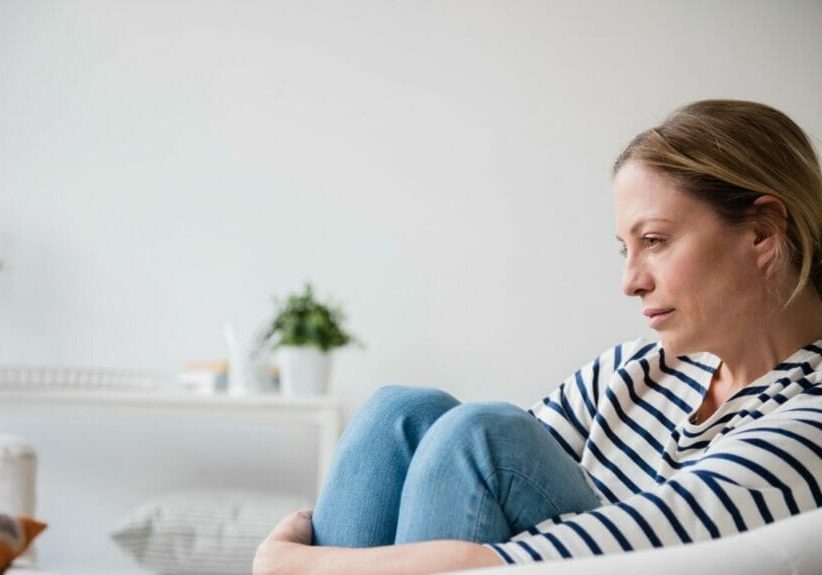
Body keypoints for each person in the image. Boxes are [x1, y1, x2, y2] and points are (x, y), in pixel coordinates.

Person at [253, 100, 822, 574]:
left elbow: (524, 559)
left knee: (483, 435)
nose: (630, 282)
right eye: (625, 250)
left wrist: (301, 564)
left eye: (655, 240)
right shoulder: (635, 370)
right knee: (401, 411)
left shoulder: (810, 418)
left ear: (763, 232)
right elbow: (460, 488)